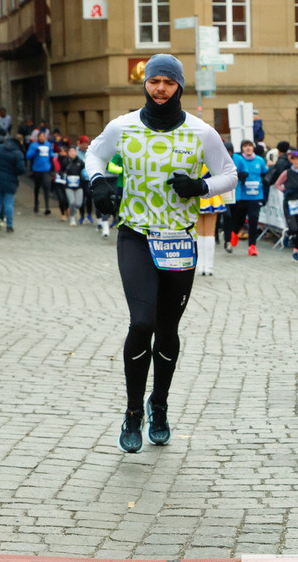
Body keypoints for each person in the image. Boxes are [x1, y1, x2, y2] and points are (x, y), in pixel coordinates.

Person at [85, 53, 237, 453]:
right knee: (142, 322)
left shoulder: (202, 133)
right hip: (135, 234)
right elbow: (95, 154)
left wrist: (200, 188)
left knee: (167, 329)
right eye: (154, 81)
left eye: (169, 82)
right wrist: (99, 180)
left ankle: (160, 406)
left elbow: (230, 174)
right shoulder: (123, 126)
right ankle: (133, 412)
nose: (161, 89)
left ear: (180, 86)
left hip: (178, 241)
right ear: (145, 84)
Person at [196, 140, 234, 276]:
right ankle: (207, 266)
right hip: (210, 195)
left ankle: (202, 266)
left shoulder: (193, 158)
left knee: (201, 233)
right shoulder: (214, 159)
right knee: (208, 232)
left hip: (198, 196)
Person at [225, 138, 268, 256]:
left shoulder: (260, 160)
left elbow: (265, 173)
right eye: (245, 146)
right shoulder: (239, 160)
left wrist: (266, 182)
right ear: (242, 148)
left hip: (256, 196)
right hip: (242, 195)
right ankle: (234, 232)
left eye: (250, 146)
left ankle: (252, 246)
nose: (248, 148)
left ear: (253, 147)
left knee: (253, 219)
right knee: (239, 219)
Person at [0, 135, 25, 232]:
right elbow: (21, 169)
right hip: (10, 180)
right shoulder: (18, 153)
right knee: (9, 203)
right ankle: (9, 225)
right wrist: (14, 173)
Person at [27, 130, 56, 215]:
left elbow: (52, 155)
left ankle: (47, 207)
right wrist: (35, 152)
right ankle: (36, 203)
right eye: (41, 137)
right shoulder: (33, 145)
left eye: (44, 137)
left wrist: (53, 167)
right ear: (38, 137)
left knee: (47, 187)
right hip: (37, 170)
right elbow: (28, 156)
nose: (42, 138)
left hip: (46, 170)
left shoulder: (48, 145)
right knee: (37, 187)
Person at [62, 146, 85, 226]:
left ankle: (75, 210)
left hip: (78, 185)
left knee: (79, 203)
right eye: (70, 151)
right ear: (68, 153)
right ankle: (72, 218)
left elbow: (83, 170)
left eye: (74, 151)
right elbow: (62, 170)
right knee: (71, 202)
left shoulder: (80, 162)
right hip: (68, 186)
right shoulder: (65, 161)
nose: (72, 153)